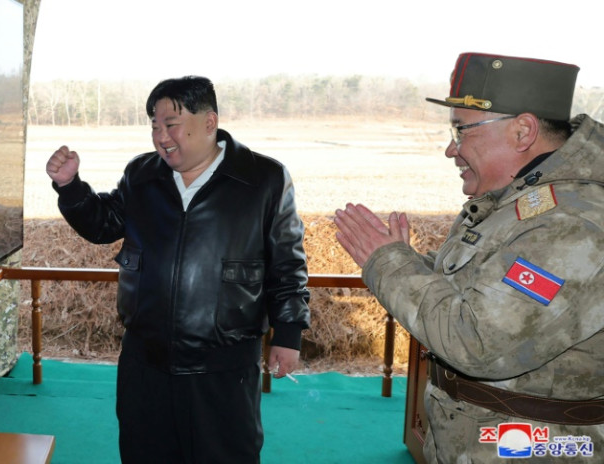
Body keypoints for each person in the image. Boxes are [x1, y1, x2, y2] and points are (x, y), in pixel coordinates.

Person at [334, 52, 604, 462]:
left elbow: (477, 342)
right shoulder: (518, 199)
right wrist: (410, 262)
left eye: (461, 131)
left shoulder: (572, 222)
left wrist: (387, 263)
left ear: (523, 132)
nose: (450, 149)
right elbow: (478, 292)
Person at [45, 75, 310, 463]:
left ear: (208, 123)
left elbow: (287, 262)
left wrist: (288, 333)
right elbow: (103, 224)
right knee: (144, 453)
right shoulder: (142, 175)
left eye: (171, 124)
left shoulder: (263, 179)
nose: (161, 135)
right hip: (145, 359)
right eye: (154, 125)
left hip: (223, 363)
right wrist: (70, 187)